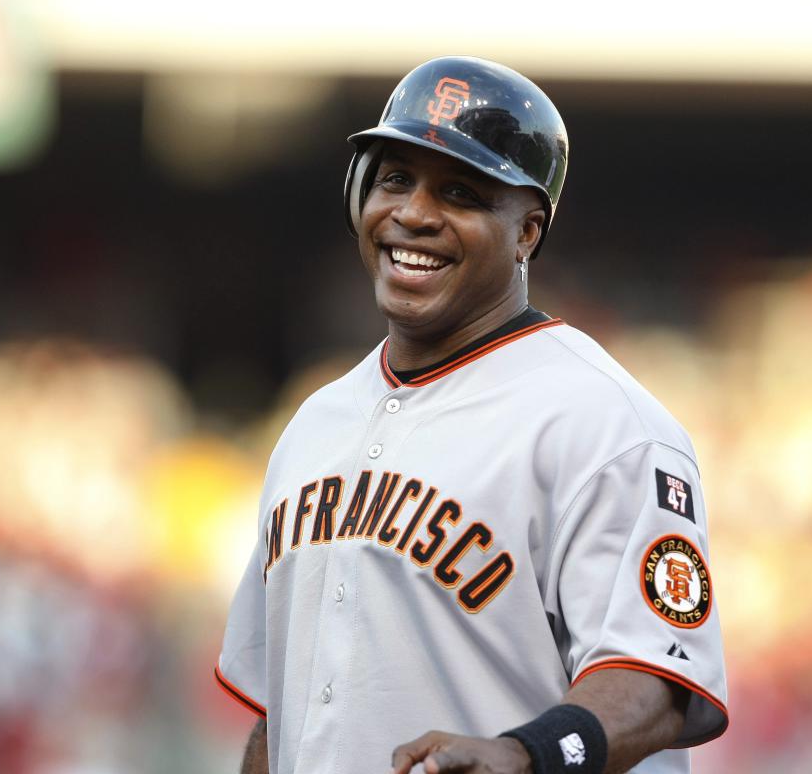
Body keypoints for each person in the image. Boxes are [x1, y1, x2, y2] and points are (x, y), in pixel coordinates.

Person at [216, 56, 728, 774]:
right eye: (396, 179)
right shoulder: (314, 425)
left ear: (527, 232)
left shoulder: (603, 422)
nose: (414, 214)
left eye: (461, 192)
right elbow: (284, 711)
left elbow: (657, 680)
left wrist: (527, 754)